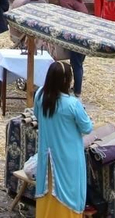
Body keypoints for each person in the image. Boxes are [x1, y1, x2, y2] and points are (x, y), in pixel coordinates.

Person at [33, 60, 95, 218]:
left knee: (48, 190)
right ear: (66, 81)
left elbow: (37, 116)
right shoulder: (72, 104)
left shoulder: (40, 95)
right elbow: (87, 128)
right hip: (68, 159)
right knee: (69, 195)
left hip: (46, 156)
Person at [45, 0, 89, 95]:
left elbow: (68, 19)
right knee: (79, 63)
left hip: (77, 34)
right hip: (85, 31)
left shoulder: (63, 0)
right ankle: (77, 87)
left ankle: (77, 92)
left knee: (76, 64)